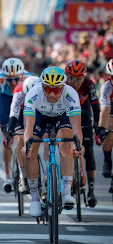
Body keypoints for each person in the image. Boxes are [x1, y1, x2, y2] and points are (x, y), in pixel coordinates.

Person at [22, 66, 84, 217]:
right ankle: (35, 199)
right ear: (41, 86)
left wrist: (79, 145)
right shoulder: (33, 94)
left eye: (56, 90)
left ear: (63, 88)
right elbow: (28, 126)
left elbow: (76, 124)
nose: (51, 94)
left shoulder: (71, 94)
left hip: (61, 116)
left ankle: (67, 192)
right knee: (31, 150)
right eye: (47, 89)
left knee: (66, 143)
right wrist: (26, 144)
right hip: (39, 116)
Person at [0, 58, 31, 193]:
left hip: (23, 101)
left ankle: (23, 171)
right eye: (9, 80)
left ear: (22, 76)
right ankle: (7, 177)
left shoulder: (29, 80)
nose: (13, 83)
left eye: (16, 79)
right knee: (8, 139)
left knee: (22, 138)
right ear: (4, 77)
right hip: (6, 102)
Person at [65, 60, 99, 207]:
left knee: (89, 151)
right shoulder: (63, 85)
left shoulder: (88, 84)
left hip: (84, 116)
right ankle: (65, 184)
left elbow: (96, 107)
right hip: (67, 117)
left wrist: (98, 127)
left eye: (79, 79)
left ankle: (91, 189)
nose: (75, 82)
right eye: (72, 78)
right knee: (65, 150)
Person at [5, 76, 40, 193]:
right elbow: (14, 113)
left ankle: (46, 176)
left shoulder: (42, 92)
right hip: (21, 112)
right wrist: (10, 130)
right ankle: (23, 176)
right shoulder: (19, 92)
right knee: (20, 139)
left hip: (38, 112)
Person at [96, 58, 113, 194]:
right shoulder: (106, 86)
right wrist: (101, 129)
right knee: (109, 130)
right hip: (110, 109)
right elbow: (105, 109)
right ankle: (107, 161)